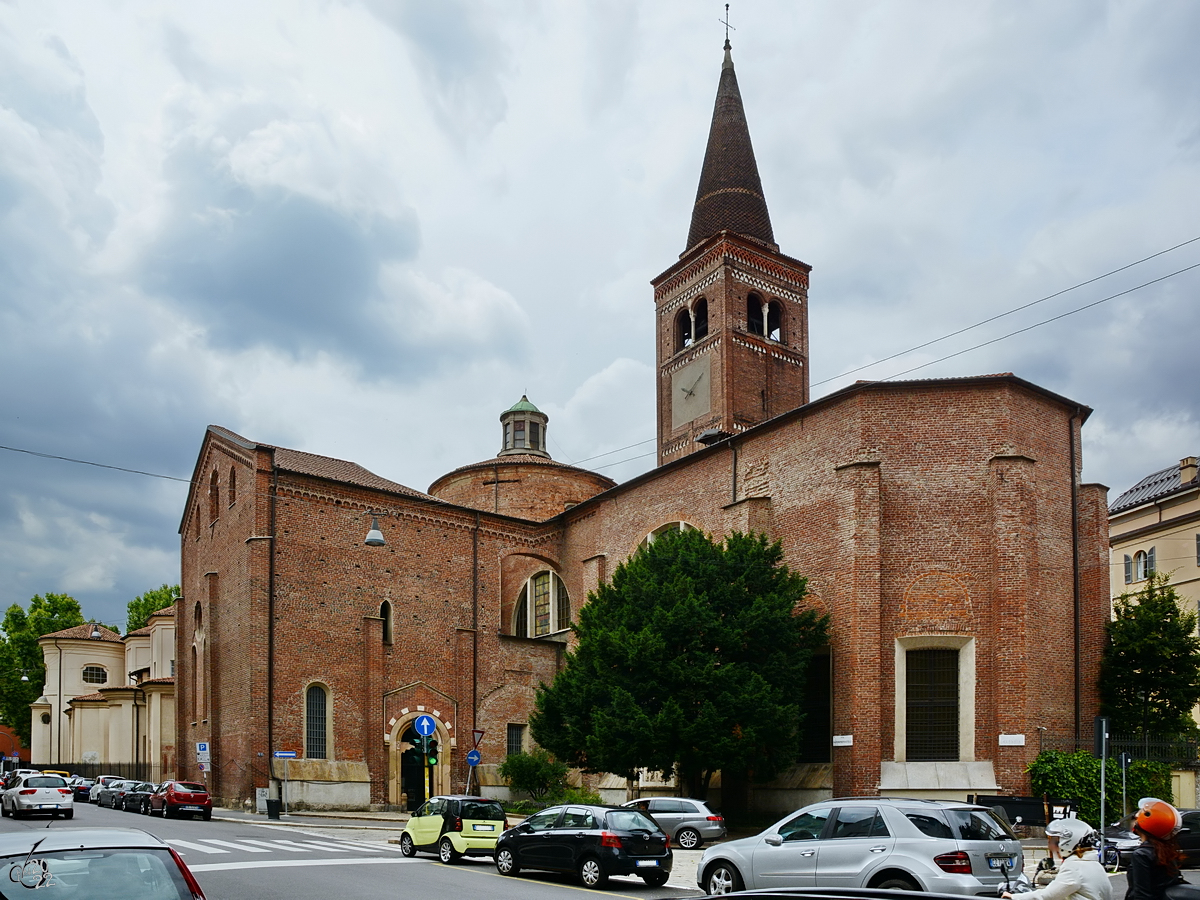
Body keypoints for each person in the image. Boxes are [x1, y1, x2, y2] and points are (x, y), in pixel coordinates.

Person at [1004, 818, 1112, 900]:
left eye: (1056, 841)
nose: (1052, 846)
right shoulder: (1094, 865)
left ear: (1068, 841)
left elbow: (1048, 896)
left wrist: (1014, 897)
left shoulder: (1074, 867)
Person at [1125, 797, 1185, 900]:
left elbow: (1142, 894)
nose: (1133, 820)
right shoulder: (1165, 851)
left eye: (1135, 818)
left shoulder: (1141, 855)